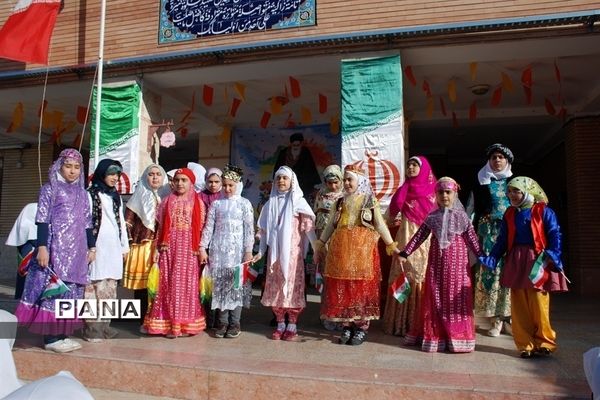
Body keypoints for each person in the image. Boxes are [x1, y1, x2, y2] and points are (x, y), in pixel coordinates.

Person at [14, 148, 95, 353]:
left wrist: (92, 246)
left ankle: (62, 336)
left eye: (77, 167)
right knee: (54, 291)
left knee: (72, 293)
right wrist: (42, 247)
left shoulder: (84, 195)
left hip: (77, 252)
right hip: (54, 249)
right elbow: (42, 220)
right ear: (60, 166)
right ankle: (51, 339)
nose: (72, 171)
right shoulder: (49, 189)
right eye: (68, 166)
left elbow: (87, 224)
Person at [479, 176, 568, 358]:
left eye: (516, 191)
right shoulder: (510, 213)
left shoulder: (543, 211)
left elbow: (554, 233)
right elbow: (502, 239)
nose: (511, 195)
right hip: (517, 260)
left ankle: (545, 342)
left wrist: (555, 252)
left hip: (537, 261)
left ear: (527, 192)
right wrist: (493, 257)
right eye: (509, 191)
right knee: (518, 303)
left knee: (538, 302)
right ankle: (525, 344)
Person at [317, 164, 400, 346]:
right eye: (345, 180)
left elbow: (379, 224)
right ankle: (347, 325)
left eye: (350, 179)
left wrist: (391, 245)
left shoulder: (369, 201)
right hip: (342, 253)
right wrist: (320, 244)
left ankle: (361, 327)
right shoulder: (340, 202)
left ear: (360, 181)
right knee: (345, 287)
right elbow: (330, 225)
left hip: (363, 252)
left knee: (361, 289)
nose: (346, 183)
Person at [399, 177, 482, 353]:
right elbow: (419, 237)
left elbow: (472, 240)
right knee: (436, 296)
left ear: (455, 193)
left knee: (455, 297)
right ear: (435, 195)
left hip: (458, 263)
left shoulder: (462, 217)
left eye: (448, 192)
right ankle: (437, 337)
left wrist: (483, 257)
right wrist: (406, 252)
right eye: (440, 192)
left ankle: (457, 339)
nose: (444, 196)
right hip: (436, 262)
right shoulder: (432, 217)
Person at [253, 166, 318, 341]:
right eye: (278, 178)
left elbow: (309, 229)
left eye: (285, 178)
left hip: (292, 257)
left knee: (291, 289)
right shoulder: (270, 203)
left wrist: (317, 249)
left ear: (292, 181)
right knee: (276, 290)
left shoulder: (298, 202)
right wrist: (260, 252)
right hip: (274, 256)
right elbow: (265, 231)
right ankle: (280, 323)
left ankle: (292, 325)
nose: (281, 181)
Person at [143, 167, 207, 338]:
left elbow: (202, 229)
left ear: (191, 183)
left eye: (184, 180)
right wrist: (157, 248)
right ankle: (168, 323)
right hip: (169, 248)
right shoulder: (166, 201)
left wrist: (201, 249)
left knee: (187, 285)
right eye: (177, 180)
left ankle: (184, 324)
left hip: (189, 250)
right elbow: (161, 228)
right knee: (167, 284)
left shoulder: (198, 203)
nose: (179, 183)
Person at [382, 156, 437, 336]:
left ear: (424, 168)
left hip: (426, 238)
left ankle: (419, 324)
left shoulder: (434, 191)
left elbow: (439, 217)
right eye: (409, 164)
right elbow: (390, 215)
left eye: (415, 165)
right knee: (403, 271)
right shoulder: (403, 189)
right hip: (405, 235)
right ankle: (400, 323)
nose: (411, 167)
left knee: (420, 274)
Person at [199, 165, 254, 339]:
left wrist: (248, 251)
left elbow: (249, 229)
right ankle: (222, 323)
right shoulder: (217, 204)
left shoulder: (245, 204)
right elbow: (209, 228)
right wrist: (203, 247)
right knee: (221, 286)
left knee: (235, 285)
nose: (228, 189)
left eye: (231, 185)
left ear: (238, 184)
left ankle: (235, 322)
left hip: (237, 253)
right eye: (225, 185)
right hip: (219, 252)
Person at [470, 143, 514, 337]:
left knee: (510, 273)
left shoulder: (516, 183)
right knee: (490, 273)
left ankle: (509, 318)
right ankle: (494, 320)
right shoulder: (481, 182)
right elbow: (470, 210)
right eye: (494, 157)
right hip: (488, 234)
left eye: (501, 157)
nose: (497, 160)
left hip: (512, 234)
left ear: (507, 161)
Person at [83, 159, 129, 342]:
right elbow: (86, 223)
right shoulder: (90, 194)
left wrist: (124, 247)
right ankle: (92, 329)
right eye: (111, 173)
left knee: (109, 289)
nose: (114, 178)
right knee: (93, 289)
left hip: (113, 248)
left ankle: (105, 326)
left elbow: (122, 225)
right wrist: (89, 246)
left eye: (117, 174)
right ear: (102, 174)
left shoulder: (115, 196)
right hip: (96, 247)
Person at [123, 163, 169, 324]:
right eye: (151, 174)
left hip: (163, 247)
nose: (155, 177)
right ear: (145, 177)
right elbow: (127, 223)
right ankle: (143, 318)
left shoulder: (169, 197)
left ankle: (158, 318)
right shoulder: (137, 196)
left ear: (163, 177)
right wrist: (126, 245)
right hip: (143, 247)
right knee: (143, 286)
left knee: (161, 284)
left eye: (158, 174)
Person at [312, 164, 344, 330]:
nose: (333, 186)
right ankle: (327, 314)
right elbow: (316, 217)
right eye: (329, 182)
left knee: (339, 278)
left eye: (336, 182)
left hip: (339, 242)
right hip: (323, 242)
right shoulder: (320, 195)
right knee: (325, 277)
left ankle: (339, 315)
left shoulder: (345, 196)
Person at [273, 132, 321, 202]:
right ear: (291, 144)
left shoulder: (305, 152)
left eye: (297, 145)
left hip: (302, 186)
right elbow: (278, 169)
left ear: (301, 144)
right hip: (286, 185)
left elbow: (310, 169)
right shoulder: (284, 153)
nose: (295, 147)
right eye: (294, 145)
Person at [5, 202, 38, 299]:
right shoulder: (33, 207)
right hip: (28, 243)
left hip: (32, 242)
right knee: (25, 272)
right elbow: (27, 229)